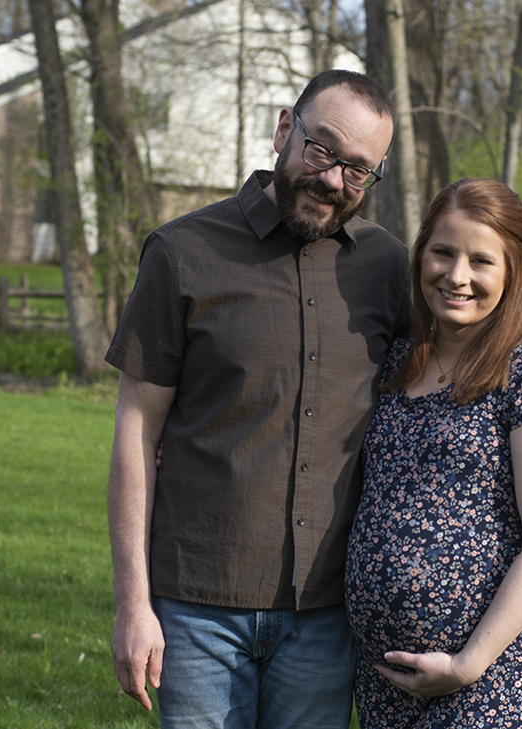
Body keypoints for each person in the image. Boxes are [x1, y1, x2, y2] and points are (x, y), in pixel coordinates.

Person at [104, 69, 409, 729]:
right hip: (197, 606)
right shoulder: (182, 252)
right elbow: (136, 431)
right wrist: (133, 604)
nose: (332, 179)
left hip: (327, 614)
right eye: (322, 149)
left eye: (358, 170)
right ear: (283, 128)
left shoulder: (388, 268)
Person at [345, 178, 522, 728]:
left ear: (512, 272)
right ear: (421, 255)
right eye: (443, 252)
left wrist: (465, 664)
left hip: (490, 676)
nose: (457, 276)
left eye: (481, 261)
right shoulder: (396, 359)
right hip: (385, 678)